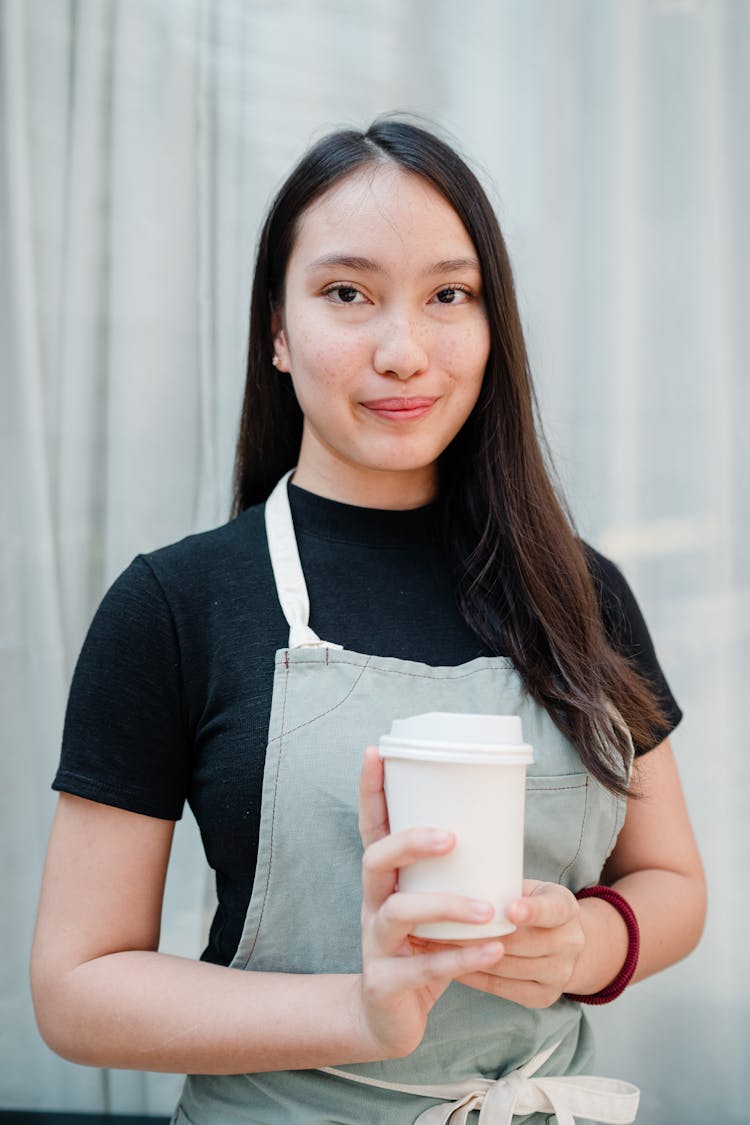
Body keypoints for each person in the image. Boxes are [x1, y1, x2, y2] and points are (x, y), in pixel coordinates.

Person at [31, 118, 706, 1124]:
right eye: (347, 293)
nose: (404, 351)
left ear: (492, 325)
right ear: (276, 329)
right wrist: (358, 1012)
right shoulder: (176, 607)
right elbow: (76, 988)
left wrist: (586, 945)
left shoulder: (580, 592)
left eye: (449, 296)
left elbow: (671, 879)